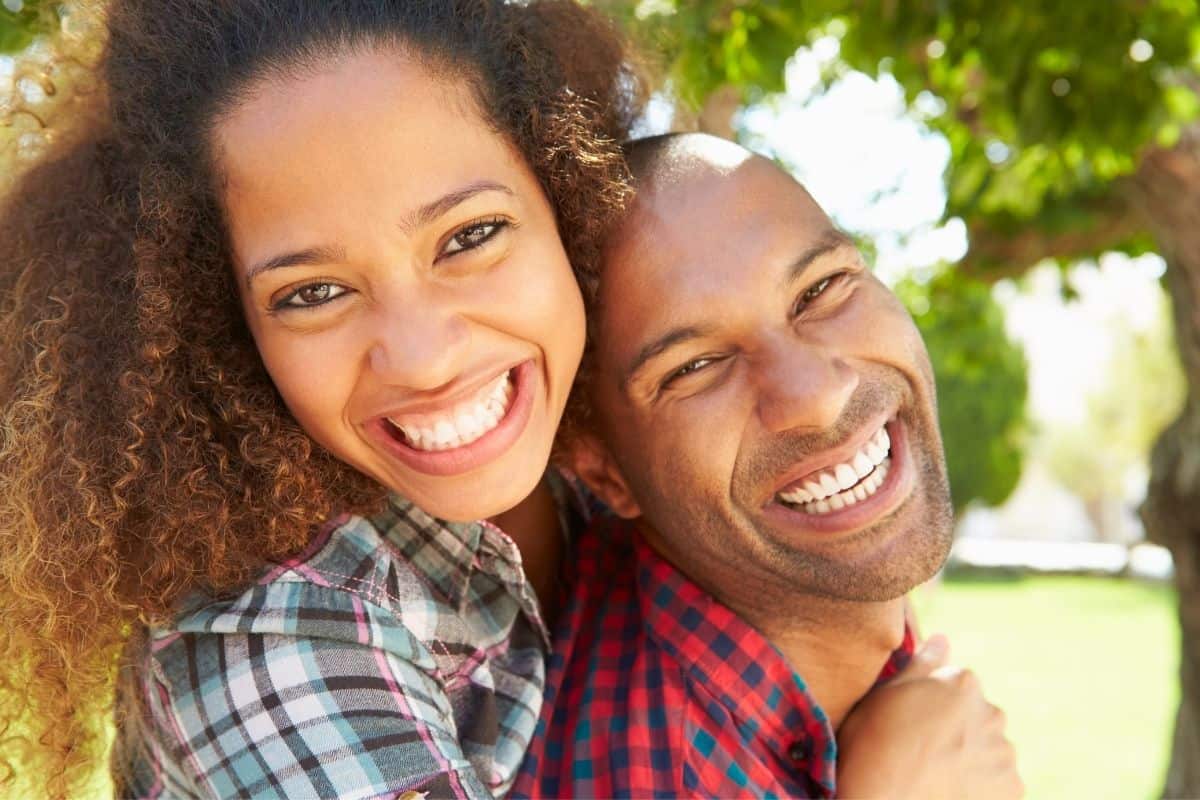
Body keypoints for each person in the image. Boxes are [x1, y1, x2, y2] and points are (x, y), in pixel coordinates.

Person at [0, 2, 644, 798]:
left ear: (568, 207)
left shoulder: (622, 447)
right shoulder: (271, 643)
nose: (423, 357)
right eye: (314, 292)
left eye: (470, 236)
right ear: (224, 334)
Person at [513, 133, 1024, 798]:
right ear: (604, 472)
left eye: (823, 288)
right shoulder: (668, 774)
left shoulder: (784, 598)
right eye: (695, 366)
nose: (816, 394)